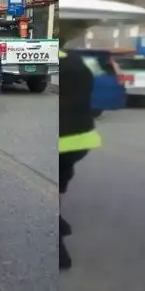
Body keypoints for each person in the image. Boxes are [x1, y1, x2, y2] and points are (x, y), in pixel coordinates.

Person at [57, 47, 102, 270]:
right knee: (63, 176)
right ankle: (59, 218)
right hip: (83, 139)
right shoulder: (77, 61)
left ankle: (58, 249)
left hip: (61, 140)